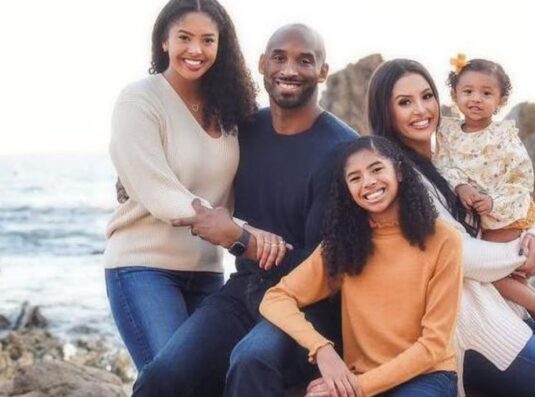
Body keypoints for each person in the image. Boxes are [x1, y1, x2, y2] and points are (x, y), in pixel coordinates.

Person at [131, 23, 357, 396]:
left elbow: (328, 271)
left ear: (322, 71)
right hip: (245, 291)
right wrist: (134, 179)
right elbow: (196, 168)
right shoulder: (244, 129)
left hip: (312, 305)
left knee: (252, 360)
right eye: (279, 58)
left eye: (305, 60)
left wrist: (243, 241)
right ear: (262, 64)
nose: (289, 69)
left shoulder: (342, 151)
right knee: (163, 375)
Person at [367, 58, 535, 397]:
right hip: (472, 324)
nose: (421, 109)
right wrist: (519, 255)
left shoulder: (445, 163)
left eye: (427, 96)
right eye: (405, 102)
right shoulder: (402, 176)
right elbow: (459, 253)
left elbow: (508, 210)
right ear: (386, 112)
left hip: (501, 308)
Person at [104, 0, 285, 371]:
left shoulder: (228, 108)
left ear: (221, 46)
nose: (196, 50)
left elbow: (242, 184)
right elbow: (158, 192)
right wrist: (242, 232)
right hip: (143, 268)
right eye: (184, 37)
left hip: (208, 271)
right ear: (164, 42)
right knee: (172, 381)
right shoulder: (139, 99)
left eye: (208, 40)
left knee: (212, 381)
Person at [261, 136, 462, 397]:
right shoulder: (345, 243)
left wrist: (356, 388)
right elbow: (276, 298)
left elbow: (433, 345)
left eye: (377, 169)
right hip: (360, 376)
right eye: (355, 178)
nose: (368, 182)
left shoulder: (444, 240)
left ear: (399, 172)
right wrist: (322, 350)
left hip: (426, 377)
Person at [433, 54, 535, 358]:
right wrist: (461, 186)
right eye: (468, 91)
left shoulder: (503, 136)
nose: (476, 99)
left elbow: (521, 179)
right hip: (482, 221)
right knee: (511, 281)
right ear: (455, 95)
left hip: (505, 215)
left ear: (500, 101)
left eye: (487, 93)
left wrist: (493, 201)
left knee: (494, 276)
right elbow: (445, 166)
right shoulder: (447, 133)